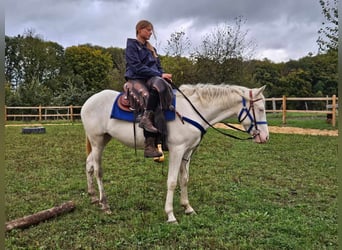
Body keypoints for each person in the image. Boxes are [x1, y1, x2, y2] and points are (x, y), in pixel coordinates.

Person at [125, 20, 173, 158]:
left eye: (151, 30)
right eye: (148, 30)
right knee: (147, 96)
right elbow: (136, 66)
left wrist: (164, 76)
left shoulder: (152, 49)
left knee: (163, 86)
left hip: (151, 78)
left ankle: (162, 135)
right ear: (139, 30)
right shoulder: (132, 46)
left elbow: (158, 67)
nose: (150, 32)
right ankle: (149, 145)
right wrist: (159, 75)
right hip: (136, 79)